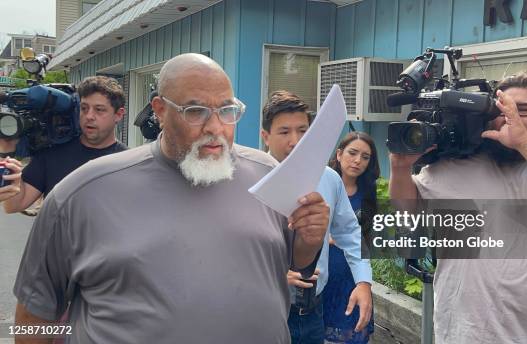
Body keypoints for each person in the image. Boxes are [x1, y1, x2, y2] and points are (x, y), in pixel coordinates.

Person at [13, 54, 330, 343]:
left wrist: (310, 240)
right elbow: (33, 316)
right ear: (160, 110)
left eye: (227, 110)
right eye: (195, 111)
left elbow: (293, 261)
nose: (215, 127)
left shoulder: (267, 174)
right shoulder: (80, 194)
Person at [389, 70, 527, 343]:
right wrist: (400, 169)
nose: (509, 117)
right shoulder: (450, 168)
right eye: (500, 108)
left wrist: (525, 142)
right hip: (462, 335)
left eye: (524, 110)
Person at [260, 91, 373, 344]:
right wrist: (274, 274)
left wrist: (364, 281)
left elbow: (350, 233)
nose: (295, 140)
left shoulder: (329, 179)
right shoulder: (251, 179)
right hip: (266, 312)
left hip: (312, 314)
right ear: (265, 136)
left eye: (303, 131)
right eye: (284, 131)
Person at [2, 75, 128, 214]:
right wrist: (6, 151)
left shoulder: (129, 162)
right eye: (84, 108)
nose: (89, 116)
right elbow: (13, 206)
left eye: (99, 109)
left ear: (118, 114)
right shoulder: (52, 154)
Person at [325, 131, 379, 343]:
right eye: (352, 153)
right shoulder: (322, 184)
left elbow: (367, 237)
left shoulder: (369, 192)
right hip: (323, 273)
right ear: (339, 154)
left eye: (365, 157)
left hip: (353, 277)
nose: (357, 161)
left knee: (352, 334)